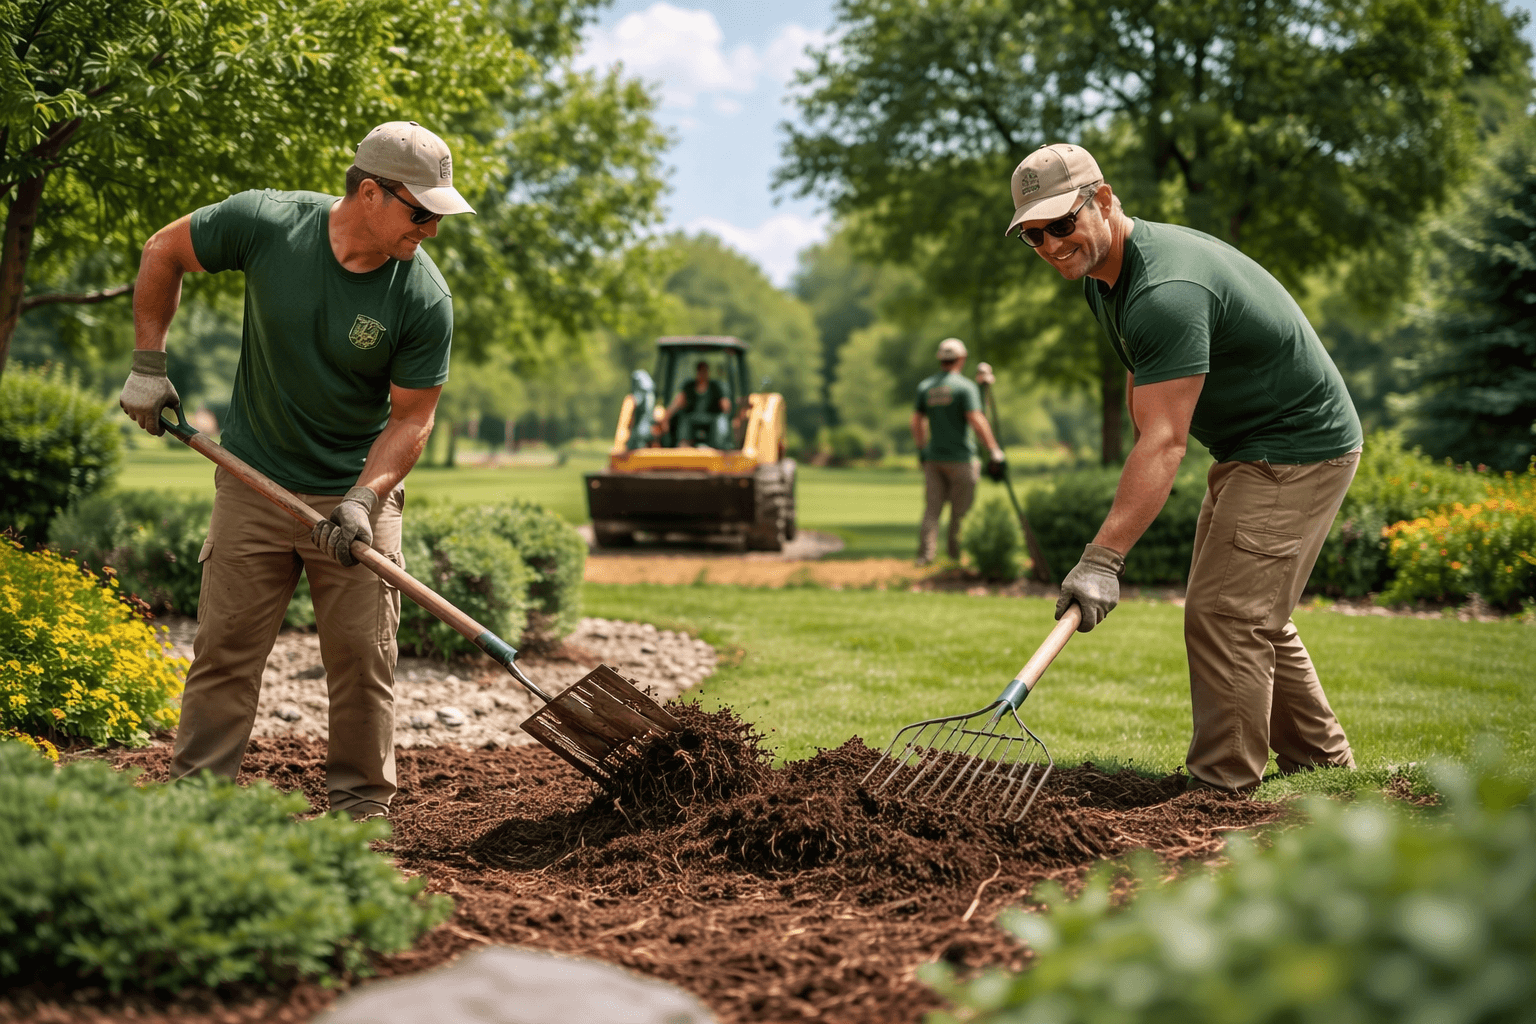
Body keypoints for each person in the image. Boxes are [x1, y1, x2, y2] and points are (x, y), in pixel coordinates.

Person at [118, 120, 475, 820]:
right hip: (253, 484)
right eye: (421, 211)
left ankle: (361, 817)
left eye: (440, 214)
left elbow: (411, 420)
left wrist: (365, 499)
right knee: (224, 656)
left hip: (356, 493)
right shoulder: (268, 222)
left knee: (363, 665)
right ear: (369, 192)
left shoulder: (423, 297)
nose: (432, 229)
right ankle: (195, 812)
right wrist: (148, 365)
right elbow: (164, 250)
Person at [1004, 142, 1363, 793]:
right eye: (1034, 235)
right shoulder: (1104, 281)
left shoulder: (1166, 289)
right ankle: (1321, 763)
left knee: (1225, 614)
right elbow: (1147, 398)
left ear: (1104, 201)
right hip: (1249, 448)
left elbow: (1164, 441)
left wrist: (1103, 559)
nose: (1052, 244)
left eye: (1062, 223)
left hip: (1296, 447)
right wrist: (1137, 489)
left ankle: (1222, 787)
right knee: (1247, 611)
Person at [911, 338, 1006, 565]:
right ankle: (955, 557)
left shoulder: (926, 387)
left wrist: (922, 449)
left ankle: (925, 557)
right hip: (962, 460)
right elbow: (976, 419)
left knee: (932, 510)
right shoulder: (964, 387)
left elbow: (916, 422)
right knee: (960, 512)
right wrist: (994, 450)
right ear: (961, 359)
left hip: (934, 459)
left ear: (940, 359)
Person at [658, 360, 732, 447]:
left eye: (704, 371)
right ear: (697, 372)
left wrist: (725, 405)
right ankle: (683, 444)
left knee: (721, 421)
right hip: (691, 418)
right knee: (683, 419)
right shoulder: (689, 386)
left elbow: (726, 406)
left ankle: (719, 446)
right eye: (700, 371)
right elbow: (677, 402)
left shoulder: (716, 387)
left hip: (712, 419)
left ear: (708, 372)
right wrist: (666, 418)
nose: (702, 374)